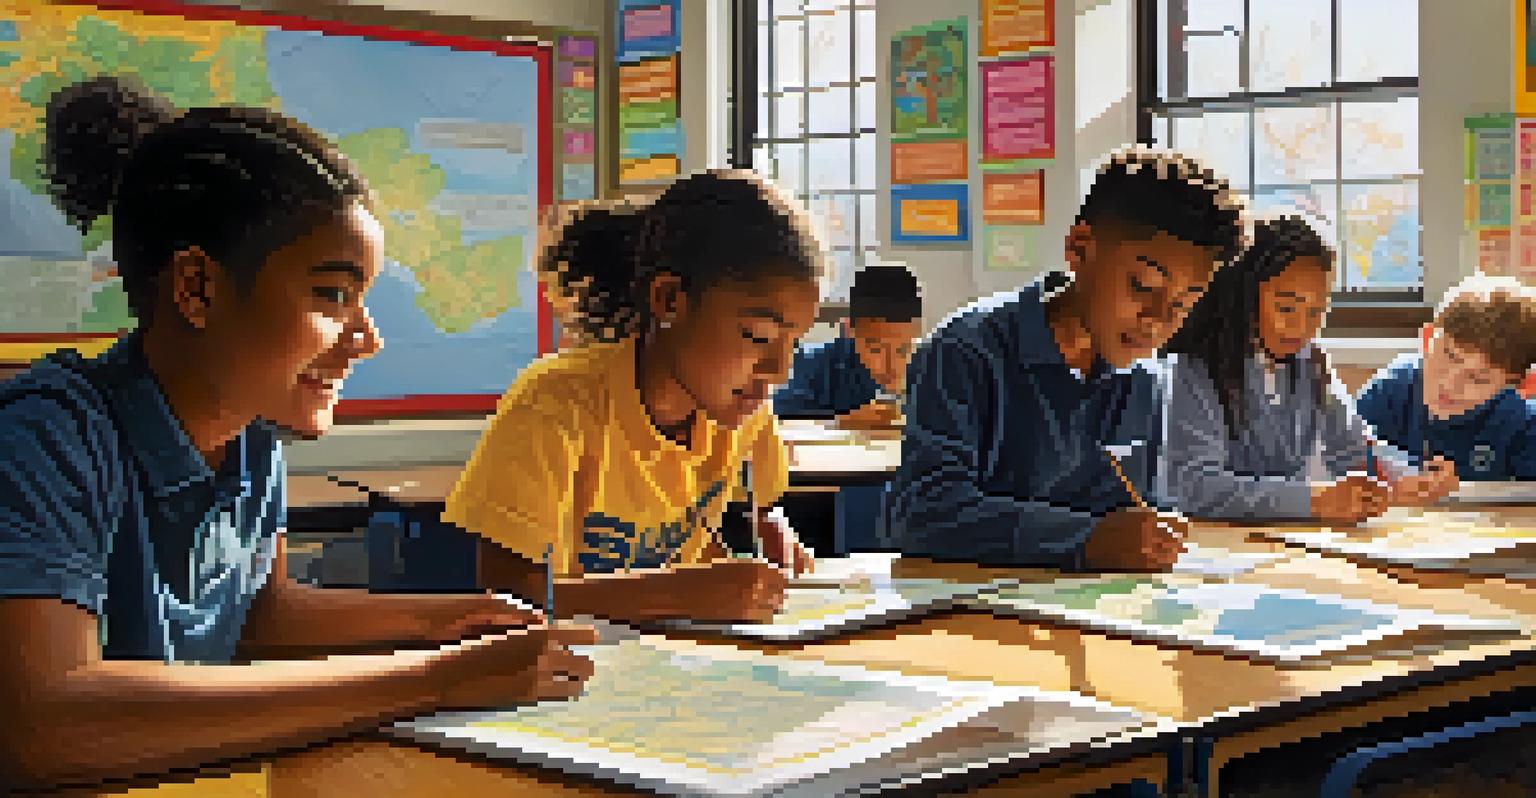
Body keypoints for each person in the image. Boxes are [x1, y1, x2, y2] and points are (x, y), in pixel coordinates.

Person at [0, 76, 596, 792]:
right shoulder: (47, 435)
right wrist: (433, 679)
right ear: (196, 288)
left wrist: (445, 619)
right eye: (332, 295)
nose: (366, 338)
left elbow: (260, 612)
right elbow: (46, 723)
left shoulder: (251, 433)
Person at [444, 170, 821, 625]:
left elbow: (754, 514)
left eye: (793, 342)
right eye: (757, 336)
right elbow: (508, 597)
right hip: (563, 675)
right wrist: (677, 596)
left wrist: (769, 529)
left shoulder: (744, 412)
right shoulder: (553, 406)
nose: (778, 371)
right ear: (668, 300)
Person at [883, 148, 1245, 572]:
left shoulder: (1142, 379)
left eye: (1184, 304)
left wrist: (1149, 535)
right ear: (1080, 248)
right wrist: (1085, 539)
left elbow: (1129, 510)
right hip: (963, 613)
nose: (1158, 321)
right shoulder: (967, 351)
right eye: (1144, 285)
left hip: (1077, 615)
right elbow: (920, 514)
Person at [1159, 215, 1402, 524]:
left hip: (1279, 544)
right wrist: (1316, 501)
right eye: (1286, 308)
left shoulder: (1311, 362)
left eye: (1316, 311)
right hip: (1209, 547)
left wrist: (1407, 477)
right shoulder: (1194, 367)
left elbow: (1355, 449)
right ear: (1245, 296)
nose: (1301, 327)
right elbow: (1196, 488)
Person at [1355, 274, 1536, 483]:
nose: (1450, 383)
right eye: (1449, 356)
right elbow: (1339, 465)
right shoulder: (1387, 393)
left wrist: (1460, 492)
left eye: (1479, 378)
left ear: (1519, 384)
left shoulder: (1523, 421)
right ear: (1427, 338)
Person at [773, 264, 923, 427]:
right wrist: (842, 421)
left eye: (902, 350)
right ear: (849, 331)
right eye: (876, 350)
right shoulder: (811, 364)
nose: (892, 365)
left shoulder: (928, 368)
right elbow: (777, 421)